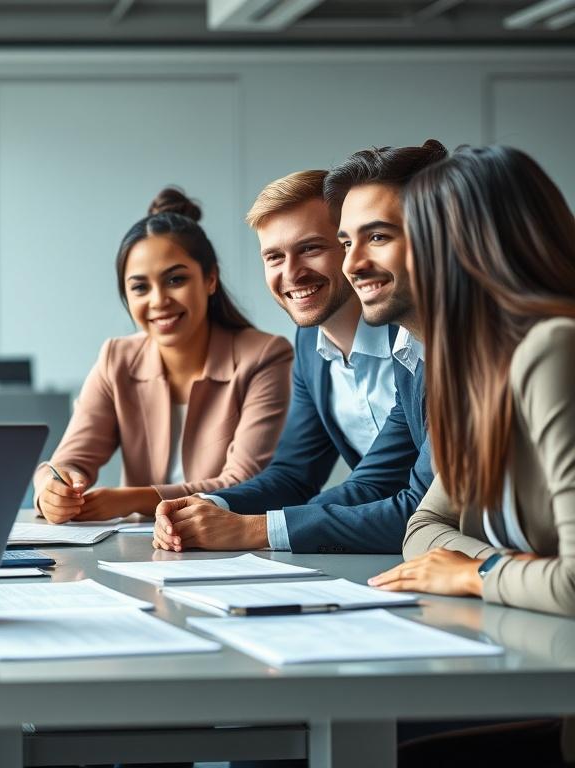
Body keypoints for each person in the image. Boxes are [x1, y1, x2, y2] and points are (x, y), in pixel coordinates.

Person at [369, 146, 575, 766]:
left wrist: (475, 573)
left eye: (414, 242)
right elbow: (422, 528)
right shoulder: (476, 372)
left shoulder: (553, 349)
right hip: (525, 658)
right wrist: (510, 567)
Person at [154, 142, 444, 554]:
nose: (291, 273)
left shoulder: (416, 340)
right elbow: (316, 476)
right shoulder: (314, 345)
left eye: (311, 247)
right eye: (274, 256)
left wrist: (257, 530)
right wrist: (210, 509)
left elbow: (417, 502)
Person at [34, 187, 294, 523]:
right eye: (140, 287)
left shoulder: (264, 355)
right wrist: (53, 490)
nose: (158, 301)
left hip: (230, 544)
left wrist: (132, 500)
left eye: (175, 279)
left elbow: (242, 483)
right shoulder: (118, 357)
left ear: (210, 279)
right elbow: (69, 459)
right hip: (142, 552)